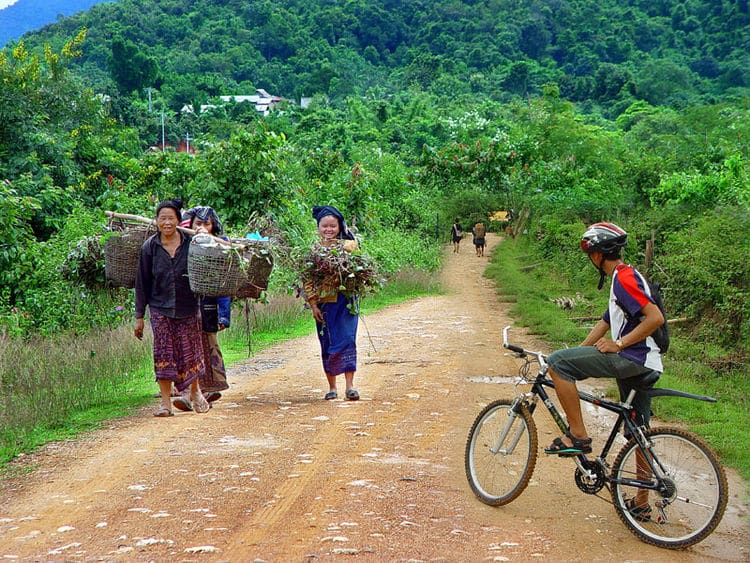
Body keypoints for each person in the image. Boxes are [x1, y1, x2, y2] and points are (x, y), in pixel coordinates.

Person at [545, 222, 664, 519]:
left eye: (590, 253)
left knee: (558, 363)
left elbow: (655, 318)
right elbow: (606, 322)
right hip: (646, 362)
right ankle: (641, 500)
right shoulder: (624, 277)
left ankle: (579, 437)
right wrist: (581, 350)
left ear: (599, 254)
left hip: (632, 358)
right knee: (638, 432)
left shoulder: (623, 279)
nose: (590, 259)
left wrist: (619, 344)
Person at [134, 199, 209, 417]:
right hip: (160, 308)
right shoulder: (149, 248)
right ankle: (166, 404)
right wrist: (139, 316)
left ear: (178, 221)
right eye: (162, 218)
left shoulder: (191, 243)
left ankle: (195, 392)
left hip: (188, 306)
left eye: (171, 218)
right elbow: (142, 283)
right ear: (156, 221)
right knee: (163, 354)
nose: (166, 222)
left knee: (192, 354)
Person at [171, 206, 231, 412]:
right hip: (186, 303)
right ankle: (186, 392)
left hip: (208, 304)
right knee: (186, 346)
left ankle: (207, 390)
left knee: (208, 344)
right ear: (191, 225)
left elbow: (224, 282)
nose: (202, 227)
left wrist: (224, 314)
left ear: (213, 225)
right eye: (198, 223)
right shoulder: (183, 244)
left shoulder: (221, 245)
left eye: (207, 224)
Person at [304, 205, 361, 401]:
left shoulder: (349, 246)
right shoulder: (313, 251)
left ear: (340, 227)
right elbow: (307, 279)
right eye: (324, 226)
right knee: (327, 342)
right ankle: (332, 387)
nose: (329, 230)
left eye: (333, 226)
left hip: (346, 303)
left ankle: (350, 387)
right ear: (318, 227)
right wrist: (313, 305)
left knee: (347, 339)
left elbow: (359, 269)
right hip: (324, 305)